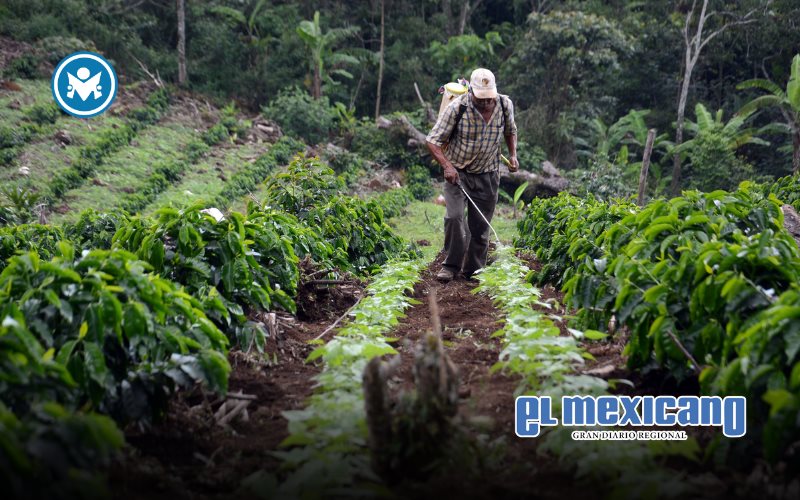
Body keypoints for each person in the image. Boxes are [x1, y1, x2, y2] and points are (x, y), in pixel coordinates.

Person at [426, 68, 518, 282]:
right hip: (458, 174)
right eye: (481, 99)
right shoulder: (457, 108)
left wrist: (513, 155)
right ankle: (450, 266)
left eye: (489, 99)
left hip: (488, 173)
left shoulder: (505, 105)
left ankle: (474, 270)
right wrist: (447, 166)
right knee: (454, 218)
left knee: (481, 225)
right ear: (471, 93)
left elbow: (510, 131)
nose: (486, 103)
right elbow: (432, 140)